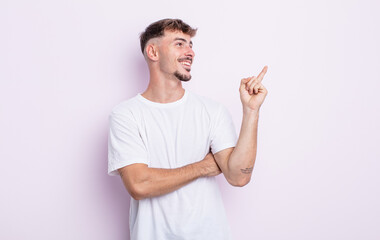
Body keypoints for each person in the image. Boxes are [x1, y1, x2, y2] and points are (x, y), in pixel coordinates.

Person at [108, 18, 268, 240]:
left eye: (191, 45)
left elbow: (238, 176)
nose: (190, 52)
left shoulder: (212, 111)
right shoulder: (126, 115)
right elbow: (139, 184)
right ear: (153, 52)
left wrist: (251, 111)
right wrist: (203, 167)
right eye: (179, 43)